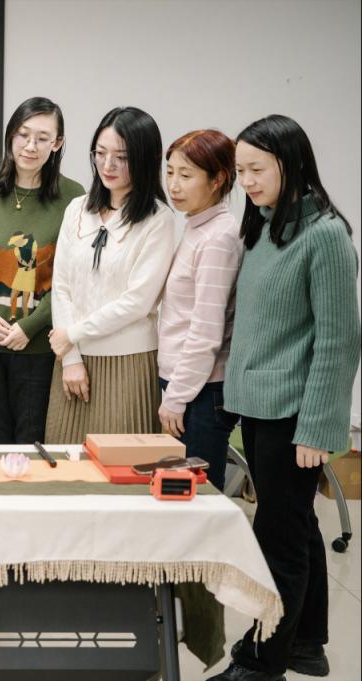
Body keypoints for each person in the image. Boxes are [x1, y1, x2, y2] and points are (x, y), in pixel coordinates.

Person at [207, 115, 360, 681]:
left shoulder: (325, 235)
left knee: (278, 539)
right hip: (259, 406)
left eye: (256, 169)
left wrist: (317, 428)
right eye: (241, 170)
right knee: (296, 528)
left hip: (294, 415)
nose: (245, 181)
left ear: (291, 164)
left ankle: (261, 661)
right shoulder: (269, 227)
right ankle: (307, 643)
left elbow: (339, 341)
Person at [0, 96, 84, 444]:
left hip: (40, 345)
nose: (30, 146)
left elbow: (71, 278)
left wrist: (30, 326)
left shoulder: (74, 198)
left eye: (43, 138)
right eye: (23, 134)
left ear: (57, 143)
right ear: (10, 135)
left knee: (32, 441)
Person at [45, 107, 175, 443]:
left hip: (128, 364)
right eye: (100, 153)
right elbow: (61, 286)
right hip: (72, 361)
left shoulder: (158, 219)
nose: (108, 165)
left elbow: (137, 301)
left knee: (122, 467)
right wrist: (70, 356)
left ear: (145, 159)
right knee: (64, 460)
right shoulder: (77, 208)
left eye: (122, 157)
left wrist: (72, 334)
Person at [157, 130, 242, 489]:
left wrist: (176, 399)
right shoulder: (197, 226)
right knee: (181, 492)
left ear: (218, 179)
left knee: (199, 494)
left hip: (201, 391)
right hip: (188, 384)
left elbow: (206, 332)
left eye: (186, 175)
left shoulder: (217, 238)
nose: (174, 185)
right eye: (170, 172)